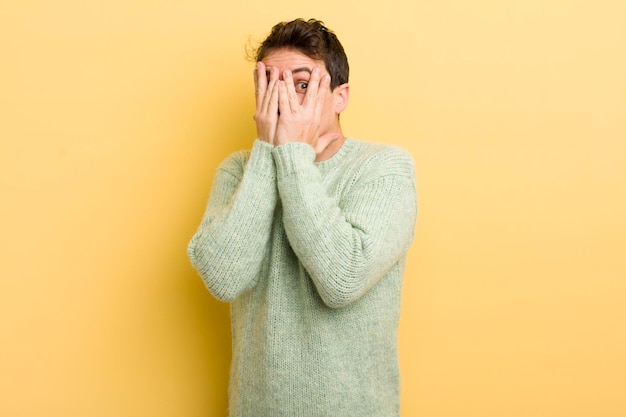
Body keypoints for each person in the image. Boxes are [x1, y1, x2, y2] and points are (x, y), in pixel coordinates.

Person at [188, 18, 417, 417]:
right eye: (270, 85)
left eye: (302, 84)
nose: (284, 101)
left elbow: (343, 277)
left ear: (340, 96)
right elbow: (223, 277)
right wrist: (267, 152)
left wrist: (293, 156)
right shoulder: (239, 171)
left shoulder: (384, 168)